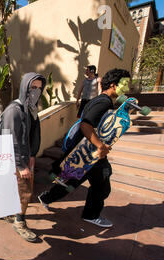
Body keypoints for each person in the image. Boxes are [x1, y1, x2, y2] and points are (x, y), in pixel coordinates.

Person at [38, 68, 131, 228]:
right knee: (102, 185)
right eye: (126, 84)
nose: (128, 88)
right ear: (114, 85)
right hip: (90, 152)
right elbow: (85, 124)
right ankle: (91, 215)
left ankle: (46, 198)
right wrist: (100, 146)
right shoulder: (104, 102)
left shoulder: (100, 100)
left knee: (73, 180)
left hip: (84, 152)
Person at [0, 72, 46, 243]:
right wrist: (21, 165)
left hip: (26, 157)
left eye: (39, 89)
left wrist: (32, 154)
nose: (36, 92)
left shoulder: (30, 108)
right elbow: (12, 140)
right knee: (24, 191)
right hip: (16, 160)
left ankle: (8, 213)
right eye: (33, 87)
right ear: (25, 87)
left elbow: (31, 134)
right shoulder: (15, 110)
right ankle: (19, 222)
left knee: (16, 189)